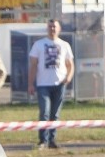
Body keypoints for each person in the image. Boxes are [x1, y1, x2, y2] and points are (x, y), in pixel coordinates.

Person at [28, 19, 74, 150]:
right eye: (50, 27)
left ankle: (52, 140)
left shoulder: (64, 45)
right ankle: (43, 140)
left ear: (59, 29)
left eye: (54, 27)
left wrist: (68, 77)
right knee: (45, 112)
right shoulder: (39, 44)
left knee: (55, 114)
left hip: (59, 84)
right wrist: (30, 84)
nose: (52, 29)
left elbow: (70, 65)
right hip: (43, 84)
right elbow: (33, 65)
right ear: (47, 28)